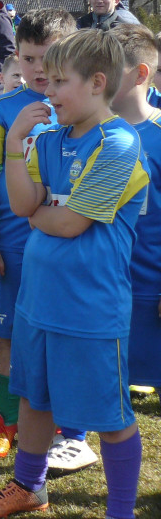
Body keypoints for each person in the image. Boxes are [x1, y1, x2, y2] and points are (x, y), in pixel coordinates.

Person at [0, 29, 146, 519]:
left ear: (97, 83)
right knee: (34, 398)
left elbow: (65, 223)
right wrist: (16, 145)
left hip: (90, 307)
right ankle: (30, 487)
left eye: (60, 81)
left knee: (110, 416)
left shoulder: (120, 143)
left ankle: (121, 510)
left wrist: (42, 215)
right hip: (38, 298)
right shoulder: (51, 139)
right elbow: (26, 204)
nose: (47, 91)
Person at [0, 8, 76, 459]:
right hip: (15, 246)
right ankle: (4, 418)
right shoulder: (0, 110)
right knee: (9, 336)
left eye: (47, 59)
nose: (36, 70)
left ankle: (65, 424)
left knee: (67, 336)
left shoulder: (82, 108)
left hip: (71, 243)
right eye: (27, 58)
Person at [109, 24, 161, 428]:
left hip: (152, 287)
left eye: (108, 67)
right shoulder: (88, 133)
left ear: (141, 74)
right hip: (105, 285)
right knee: (106, 377)